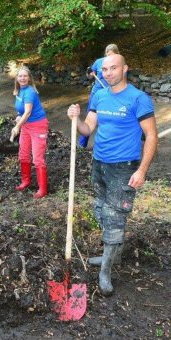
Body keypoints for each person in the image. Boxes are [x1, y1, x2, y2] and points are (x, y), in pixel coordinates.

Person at [67, 54, 158, 296]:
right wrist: (75, 119)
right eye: (104, 69)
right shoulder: (99, 95)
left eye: (113, 68)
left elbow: (151, 136)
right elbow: (88, 128)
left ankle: (105, 271)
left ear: (125, 69)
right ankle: (113, 253)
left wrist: (142, 171)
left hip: (124, 166)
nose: (107, 73)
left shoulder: (139, 99)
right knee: (100, 209)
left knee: (114, 216)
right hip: (99, 163)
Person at [10, 66, 49, 199]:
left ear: (29, 78)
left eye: (25, 76)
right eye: (20, 76)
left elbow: (28, 112)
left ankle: (42, 189)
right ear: (17, 78)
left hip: (38, 126)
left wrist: (17, 127)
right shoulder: (19, 91)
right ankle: (26, 181)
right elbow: (22, 111)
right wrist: (18, 116)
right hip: (26, 125)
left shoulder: (30, 92)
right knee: (24, 154)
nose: (22, 78)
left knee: (37, 158)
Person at [79, 43, 120, 148]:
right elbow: (89, 76)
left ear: (117, 54)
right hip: (96, 94)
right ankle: (81, 145)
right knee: (90, 118)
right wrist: (90, 73)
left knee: (111, 118)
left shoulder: (119, 63)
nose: (108, 57)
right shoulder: (98, 62)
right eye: (107, 54)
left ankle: (111, 145)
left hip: (112, 94)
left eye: (111, 55)